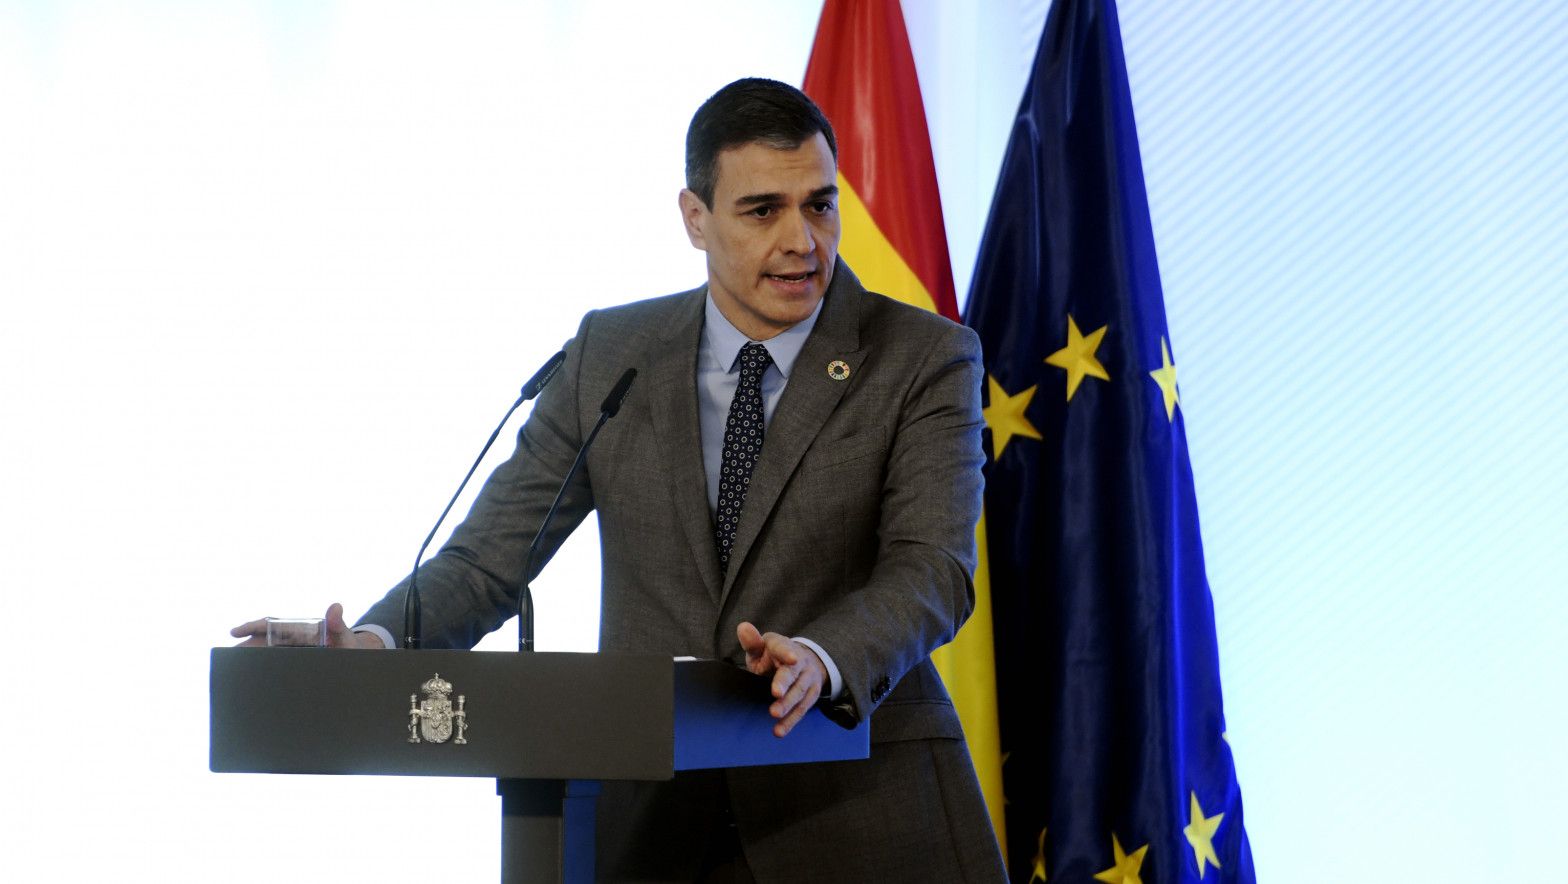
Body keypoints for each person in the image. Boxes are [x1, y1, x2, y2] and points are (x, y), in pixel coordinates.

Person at [232, 77, 1005, 882]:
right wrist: (374, 641)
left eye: (819, 204)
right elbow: (489, 560)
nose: (802, 241)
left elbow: (933, 567)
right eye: (762, 210)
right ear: (695, 218)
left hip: (856, 813)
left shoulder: (923, 355)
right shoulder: (612, 353)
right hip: (649, 828)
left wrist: (822, 653)